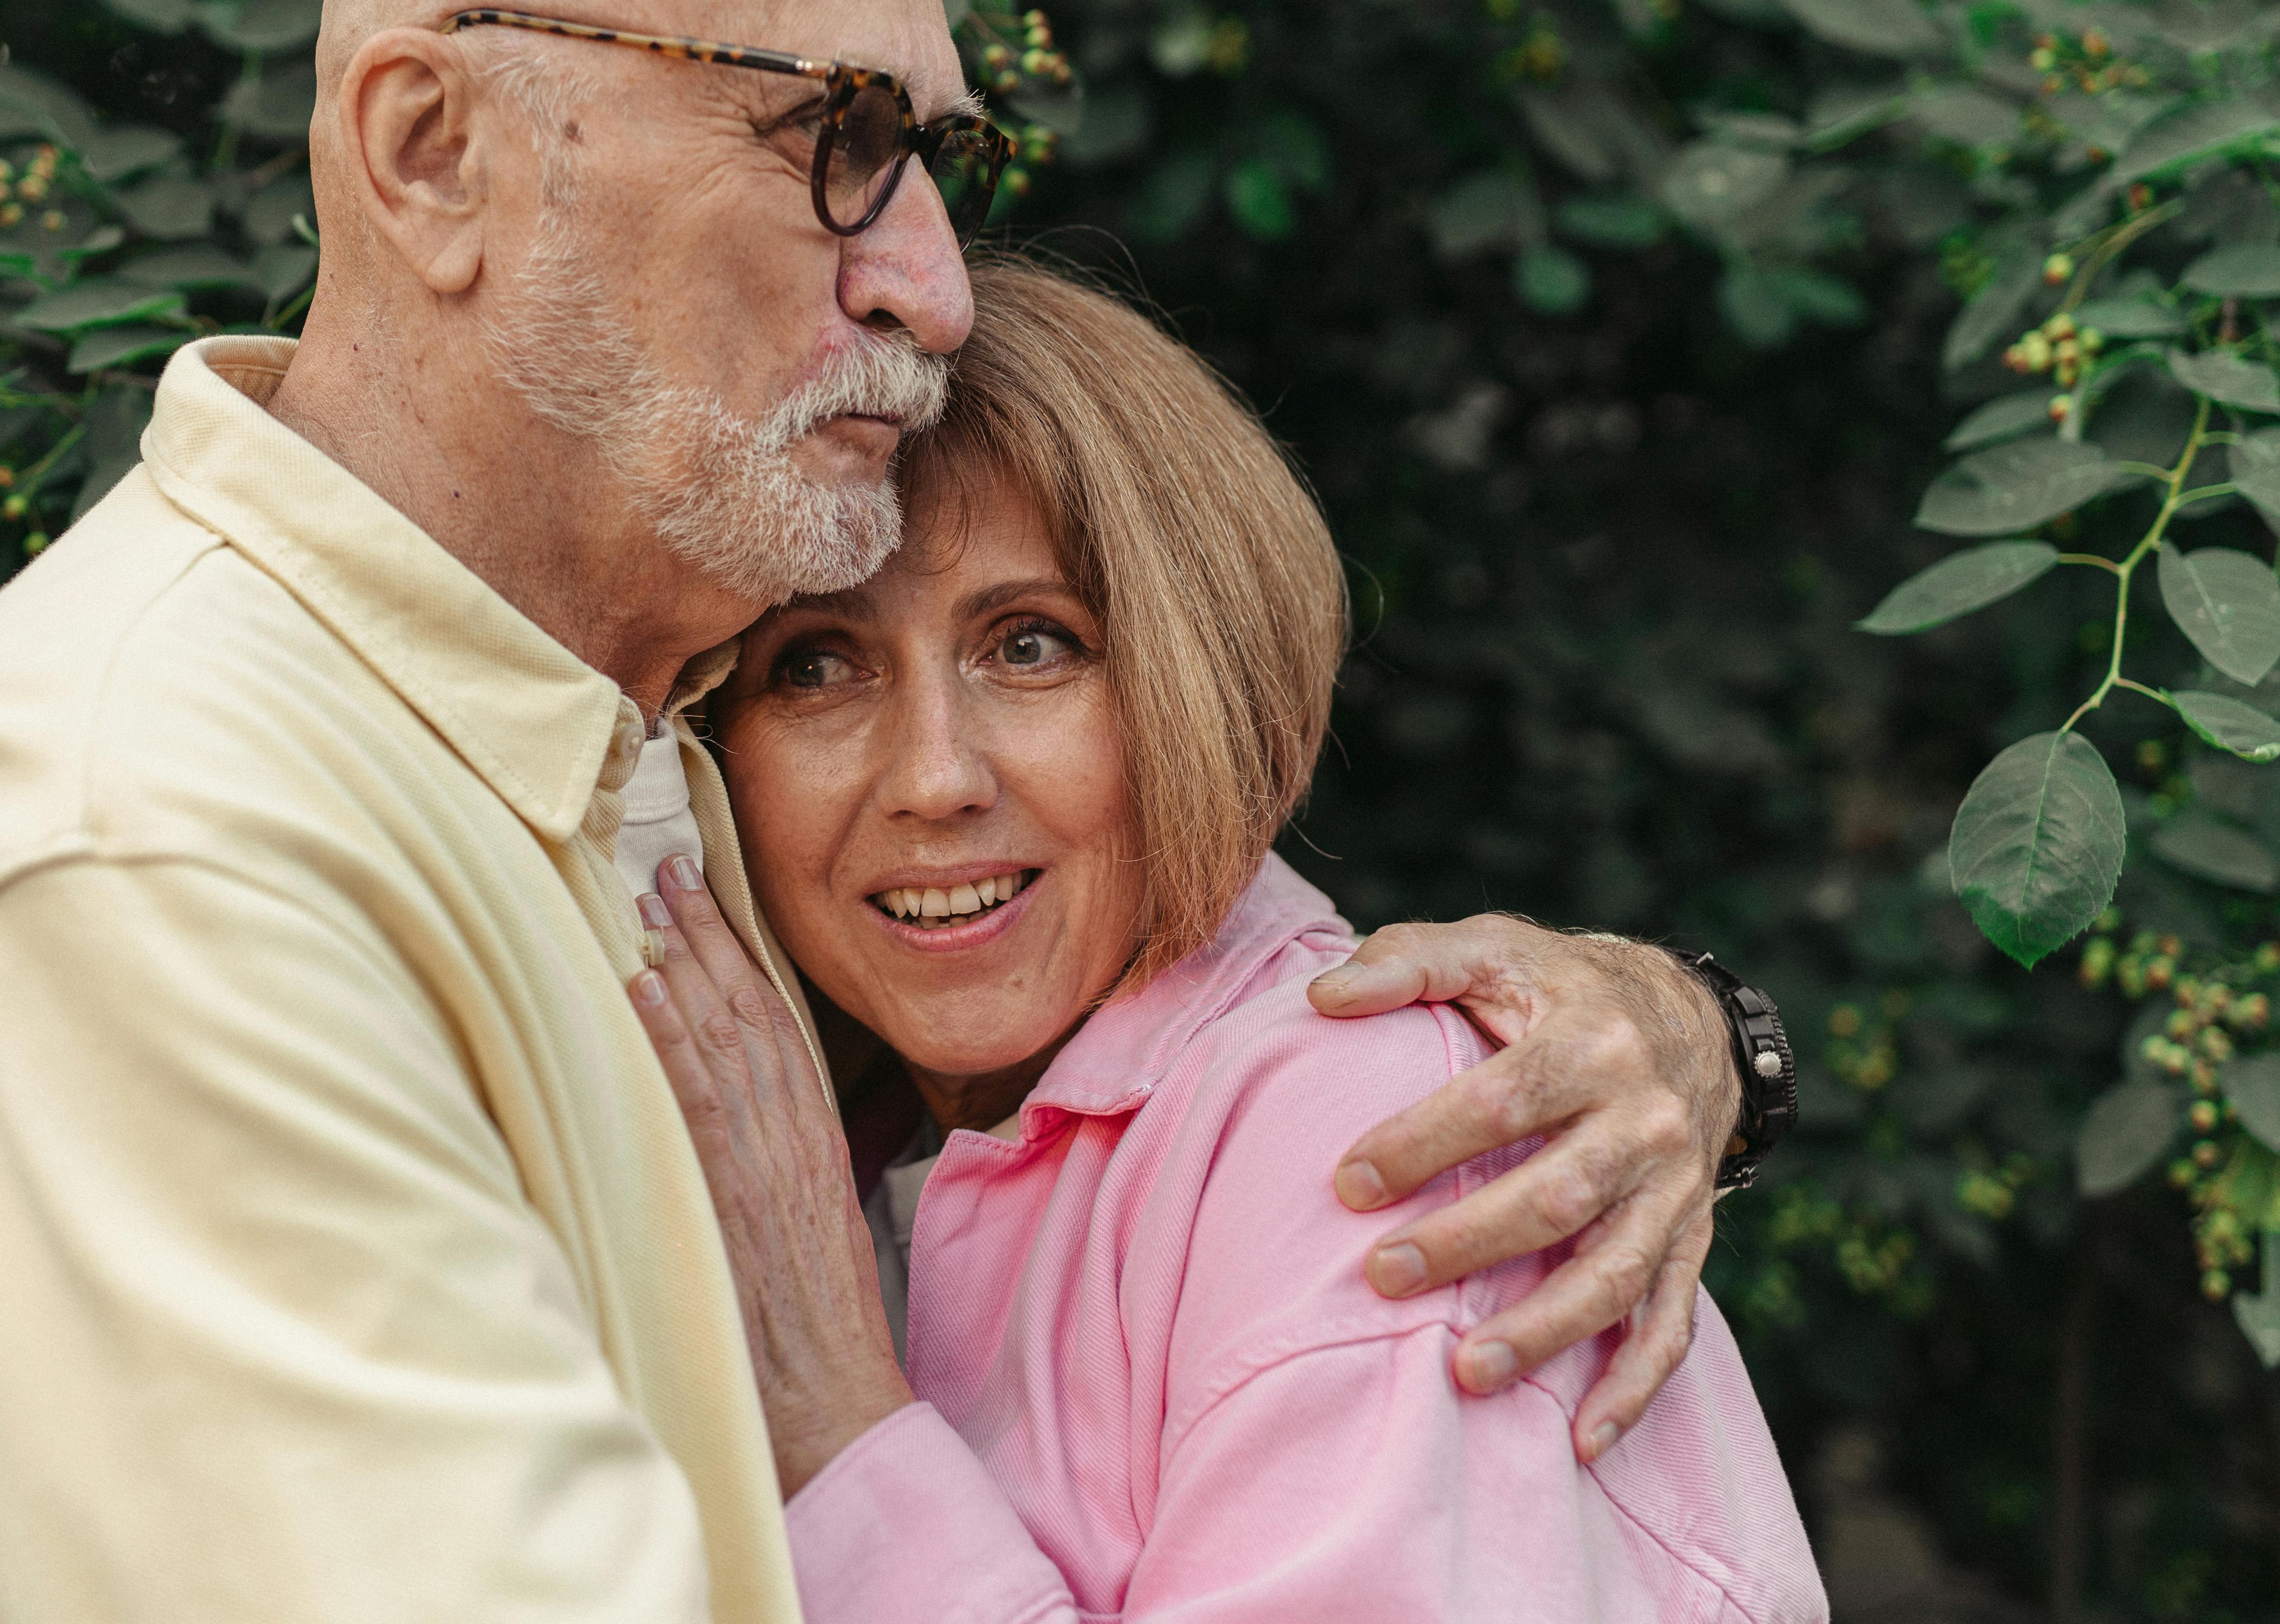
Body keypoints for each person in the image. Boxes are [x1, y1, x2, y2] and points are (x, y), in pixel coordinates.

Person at [0, 0, 1781, 1621]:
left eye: (933, 158)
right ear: (433, 149)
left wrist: (1680, 1034)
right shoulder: (149, 847)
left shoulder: (607, 754)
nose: (936, 280)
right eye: (837, 135)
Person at [628, 256, 1825, 1619]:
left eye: (1031, 646)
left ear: (1199, 681)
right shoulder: (821, 1130)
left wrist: (833, 1420)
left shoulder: (1359, 1130)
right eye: (818, 665)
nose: (935, 777)